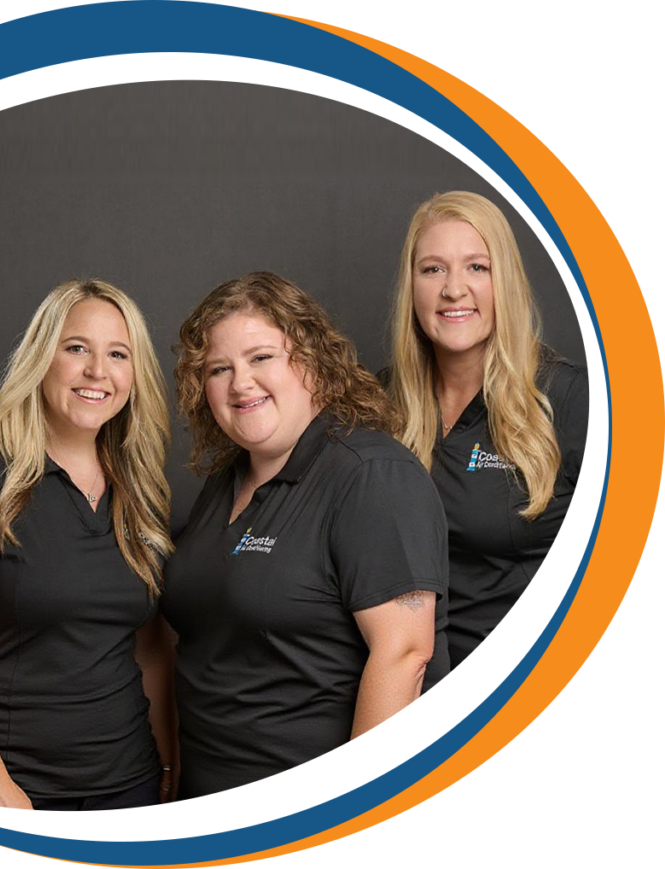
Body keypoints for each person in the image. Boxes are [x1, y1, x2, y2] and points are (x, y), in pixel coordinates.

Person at [0, 279, 174, 810]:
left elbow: (150, 649)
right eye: (76, 349)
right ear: (42, 359)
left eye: (118, 354)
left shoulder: (139, 490)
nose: (97, 371)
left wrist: (164, 760)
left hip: (125, 788)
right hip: (0, 790)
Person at [164, 272, 448, 799]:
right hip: (204, 801)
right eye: (219, 368)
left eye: (261, 357)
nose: (239, 382)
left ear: (314, 360)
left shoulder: (371, 474)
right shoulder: (225, 482)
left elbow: (405, 653)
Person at [386, 191, 588, 668]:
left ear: (507, 283)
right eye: (433, 269)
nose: (454, 289)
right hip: (410, 693)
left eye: (477, 267)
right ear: (411, 286)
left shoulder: (568, 399)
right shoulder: (379, 406)